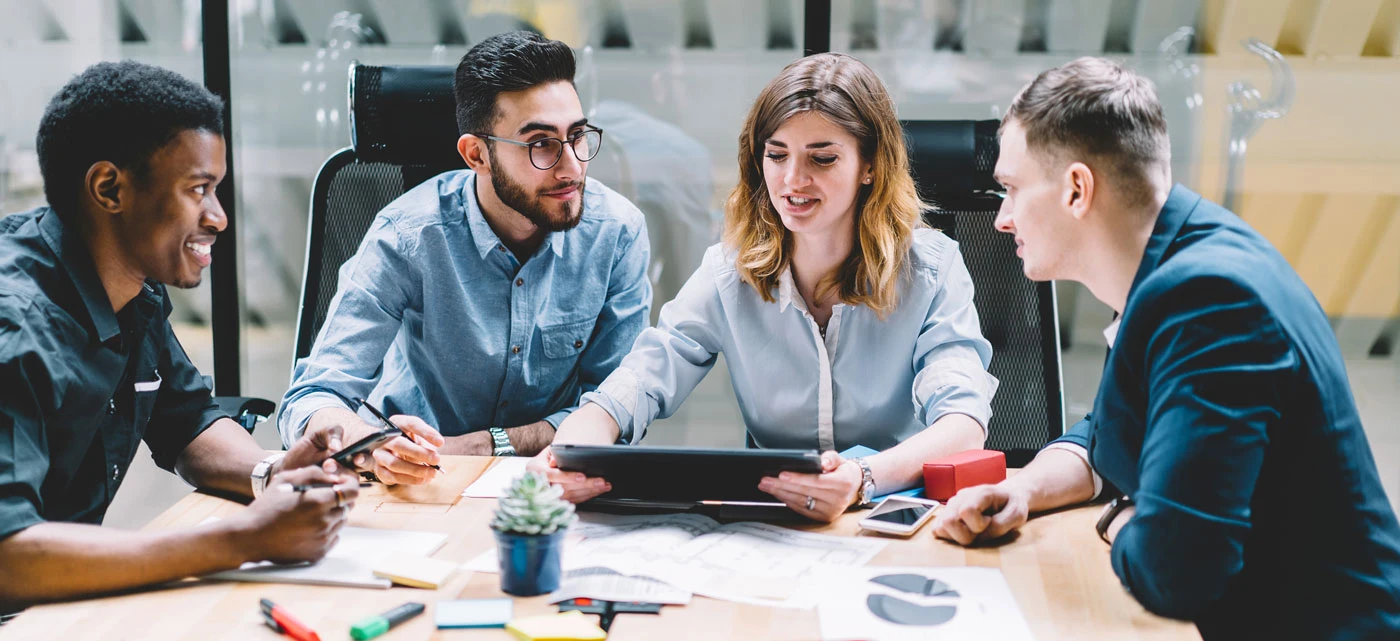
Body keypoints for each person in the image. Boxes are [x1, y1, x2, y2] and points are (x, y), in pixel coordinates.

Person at [930, 57, 1400, 639]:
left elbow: (1174, 572)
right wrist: (1023, 488)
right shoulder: (1175, 266)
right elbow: (1106, 429)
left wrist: (1119, 518)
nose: (1001, 219)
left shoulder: (1209, 302)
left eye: (1012, 189)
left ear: (1077, 189)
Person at [533, 53, 997, 522]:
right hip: (776, 528)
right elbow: (638, 381)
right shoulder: (729, 272)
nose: (793, 180)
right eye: (776, 155)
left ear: (870, 166)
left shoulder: (931, 270)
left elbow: (963, 424)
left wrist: (860, 477)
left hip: (894, 518)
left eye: (823, 158)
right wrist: (569, 452)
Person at [0, 61, 359, 611]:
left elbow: (187, 420)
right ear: (109, 189)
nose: (219, 218)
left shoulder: (130, 289)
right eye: (199, 189)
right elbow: (7, 556)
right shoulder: (16, 328)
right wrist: (244, 539)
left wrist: (273, 473)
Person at [277, 31, 652, 484]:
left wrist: (489, 444)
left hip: (546, 480)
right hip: (412, 480)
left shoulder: (616, 233)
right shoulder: (407, 236)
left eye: (577, 136)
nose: (571, 166)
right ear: (477, 154)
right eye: (540, 144)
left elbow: (616, 406)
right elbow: (312, 397)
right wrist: (369, 446)